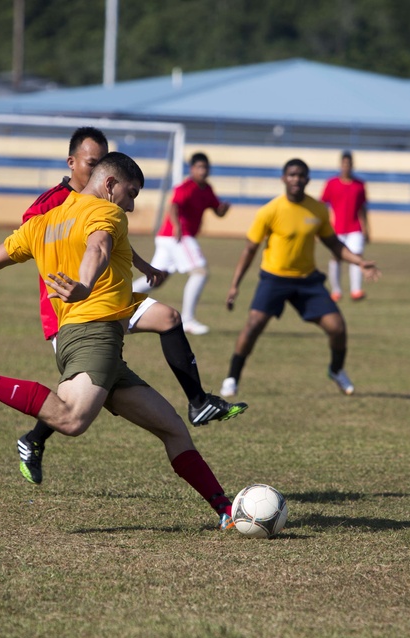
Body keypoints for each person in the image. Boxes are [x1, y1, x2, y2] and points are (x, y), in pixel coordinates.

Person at [0, 152, 236, 530]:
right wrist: (86, 284)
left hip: (84, 338)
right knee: (72, 419)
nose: (132, 203)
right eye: (131, 192)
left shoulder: (44, 222)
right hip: (94, 334)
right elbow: (98, 247)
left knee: (172, 427)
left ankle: (226, 513)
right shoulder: (107, 212)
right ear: (110, 185)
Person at [15, 129, 245, 486]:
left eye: (102, 160)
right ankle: (33, 438)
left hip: (111, 296)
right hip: (72, 308)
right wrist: (76, 282)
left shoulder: (104, 205)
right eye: (91, 162)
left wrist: (143, 266)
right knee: (78, 400)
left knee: (168, 317)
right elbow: (48, 242)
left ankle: (198, 401)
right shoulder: (52, 204)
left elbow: (107, 240)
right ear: (73, 163)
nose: (96, 169)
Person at [219, 158, 380, 399]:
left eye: (301, 175)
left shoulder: (317, 210)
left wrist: (359, 261)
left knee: (337, 328)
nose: (296, 179)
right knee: (253, 326)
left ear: (308, 179)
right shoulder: (270, 210)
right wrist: (234, 286)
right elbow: (249, 250)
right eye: (292, 175)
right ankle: (232, 377)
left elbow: (334, 244)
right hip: (274, 278)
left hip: (307, 281)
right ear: (284, 178)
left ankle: (336, 370)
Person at [131, 152, 231, 335]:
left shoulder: (207, 189)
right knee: (200, 272)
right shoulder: (186, 186)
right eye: (199, 167)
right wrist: (177, 226)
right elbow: (174, 205)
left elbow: (218, 211)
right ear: (192, 169)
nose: (203, 171)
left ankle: (121, 299)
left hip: (168, 238)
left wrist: (223, 209)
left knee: (157, 278)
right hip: (177, 235)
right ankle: (188, 320)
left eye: (206, 167)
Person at [320, 150, 370, 302]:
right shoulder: (331, 183)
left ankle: (356, 291)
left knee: (356, 257)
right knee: (336, 258)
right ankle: (336, 291)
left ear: (352, 165)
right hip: (337, 228)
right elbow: (323, 205)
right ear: (340, 165)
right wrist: (322, 226)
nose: (346, 167)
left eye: (349, 164)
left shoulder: (359, 185)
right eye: (344, 164)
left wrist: (367, 228)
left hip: (355, 228)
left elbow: (363, 209)